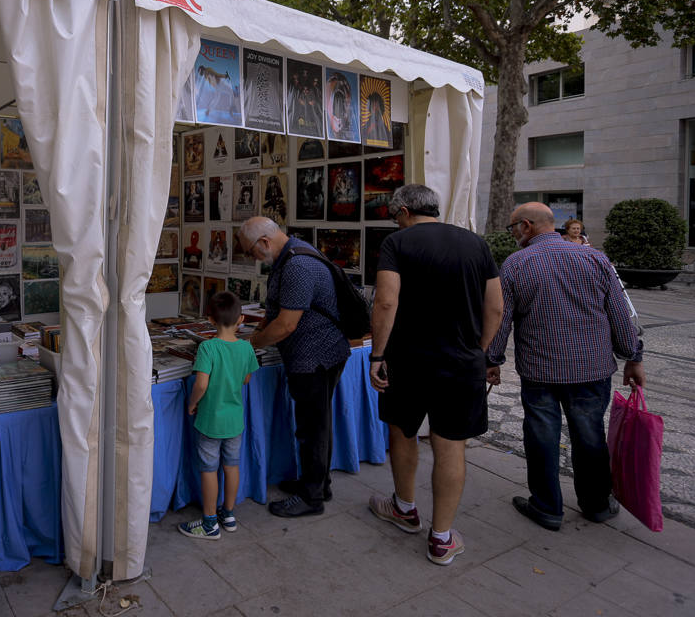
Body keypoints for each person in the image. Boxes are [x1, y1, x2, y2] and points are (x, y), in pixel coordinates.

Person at [367, 184, 503, 566]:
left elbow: (386, 300)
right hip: (461, 363)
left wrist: (378, 354)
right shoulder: (476, 244)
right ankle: (441, 538)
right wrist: (479, 349)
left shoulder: (398, 242)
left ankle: (405, 508)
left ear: (405, 210)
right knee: (450, 445)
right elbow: (495, 307)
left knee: (402, 431)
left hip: (407, 360)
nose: (396, 221)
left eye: (396, 215)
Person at [488, 202, 644, 531]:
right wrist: (633, 356)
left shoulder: (516, 264)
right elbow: (620, 313)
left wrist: (493, 360)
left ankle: (547, 507)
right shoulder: (595, 258)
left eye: (513, 227)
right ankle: (597, 505)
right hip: (591, 369)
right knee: (589, 435)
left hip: (540, 371)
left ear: (526, 226)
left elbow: (501, 319)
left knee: (542, 436)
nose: (513, 234)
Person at [239, 215, 350, 517]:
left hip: (315, 356)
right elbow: (278, 310)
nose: (252, 258)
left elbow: (287, 325)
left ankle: (311, 496)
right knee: (316, 423)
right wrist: (261, 327)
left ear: (264, 242)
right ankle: (316, 483)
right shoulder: (289, 256)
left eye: (251, 252)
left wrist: (251, 344)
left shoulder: (297, 265)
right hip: (315, 353)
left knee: (312, 427)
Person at [178, 291, 259, 539]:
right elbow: (246, 379)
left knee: (209, 470)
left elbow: (201, 384)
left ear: (210, 320)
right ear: (241, 319)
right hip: (235, 421)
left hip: (210, 421)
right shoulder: (246, 348)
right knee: (231, 466)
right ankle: (229, 514)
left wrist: (192, 403)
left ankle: (210, 522)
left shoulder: (207, 348)